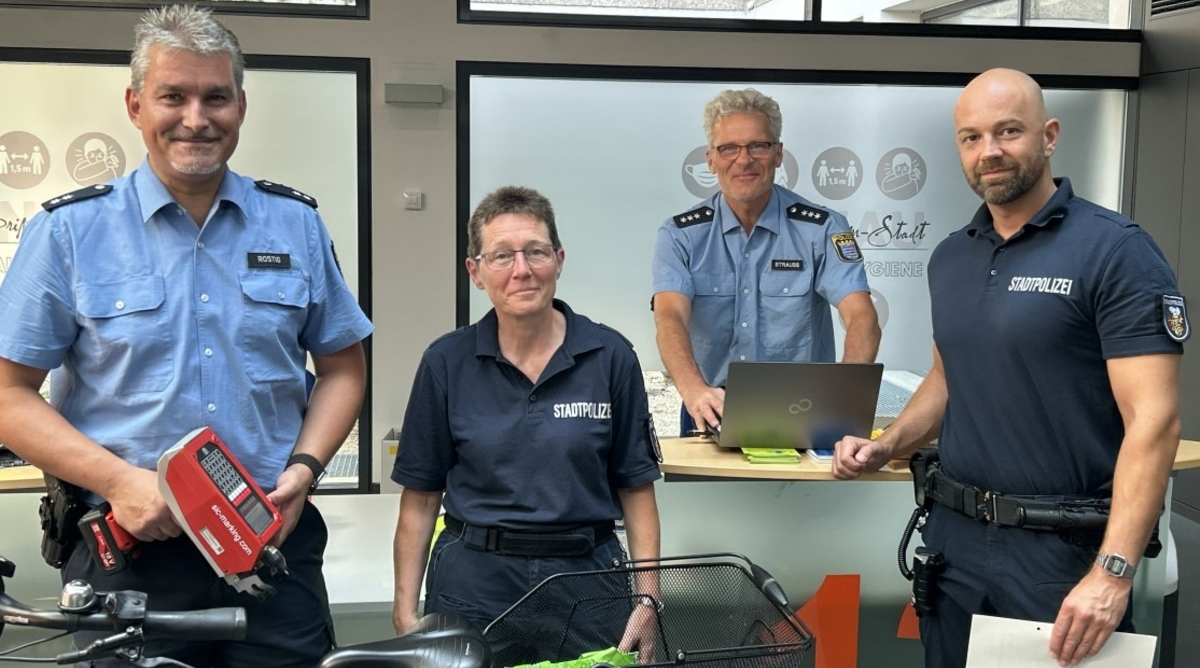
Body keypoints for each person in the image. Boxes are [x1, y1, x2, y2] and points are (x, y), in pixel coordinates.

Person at [0, 5, 372, 668]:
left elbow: (343, 368)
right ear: (136, 104)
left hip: (269, 543)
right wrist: (120, 481)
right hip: (133, 554)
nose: (196, 119)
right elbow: (8, 394)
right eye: (173, 96)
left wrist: (306, 469)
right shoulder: (68, 233)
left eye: (215, 97)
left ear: (241, 107)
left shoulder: (295, 225)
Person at [833, 68, 1186, 668]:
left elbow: (1155, 420)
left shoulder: (1116, 250)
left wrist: (1113, 571)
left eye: (1008, 131)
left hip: (1061, 553)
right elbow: (946, 379)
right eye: (971, 137)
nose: (989, 151)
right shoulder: (951, 256)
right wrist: (886, 444)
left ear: (1049, 136)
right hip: (953, 544)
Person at [391, 186, 662, 660]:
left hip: (587, 580)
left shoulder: (610, 356)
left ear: (558, 260)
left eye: (536, 251)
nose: (522, 270)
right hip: (474, 582)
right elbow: (420, 499)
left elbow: (636, 488)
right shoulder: (446, 362)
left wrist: (649, 600)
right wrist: (404, 611)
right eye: (501, 256)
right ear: (475, 272)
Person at [651, 88, 880, 436]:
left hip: (804, 407)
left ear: (778, 154)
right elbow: (669, 317)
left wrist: (844, 397)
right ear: (711, 160)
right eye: (729, 148)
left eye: (758, 146)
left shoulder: (823, 228)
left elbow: (861, 316)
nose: (744, 160)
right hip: (709, 406)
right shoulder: (679, 235)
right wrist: (693, 390)